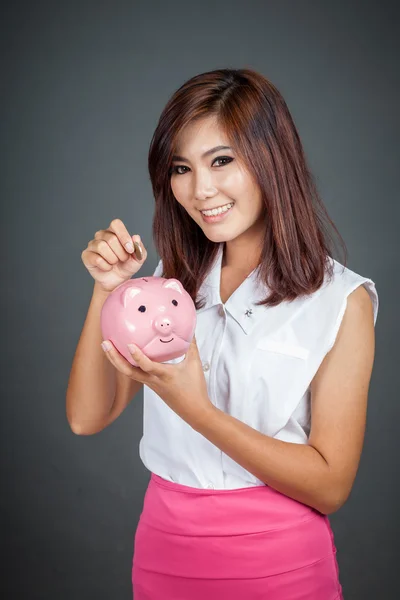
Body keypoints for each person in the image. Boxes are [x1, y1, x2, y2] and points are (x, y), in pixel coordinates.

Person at [66, 68, 379, 599]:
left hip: (280, 568)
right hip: (164, 555)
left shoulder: (340, 301)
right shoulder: (174, 280)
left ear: (271, 160)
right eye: (181, 168)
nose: (200, 189)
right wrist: (108, 292)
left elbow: (330, 485)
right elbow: (85, 417)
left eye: (222, 161)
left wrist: (198, 410)